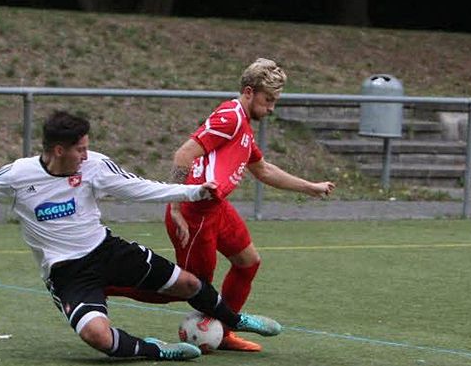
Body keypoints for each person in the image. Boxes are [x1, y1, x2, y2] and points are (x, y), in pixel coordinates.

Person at [0, 110, 282, 361]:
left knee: (188, 284)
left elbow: (137, 188)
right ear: (59, 150)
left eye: (87, 146)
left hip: (107, 250)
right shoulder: (18, 175)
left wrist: (191, 191)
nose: (86, 153)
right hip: (66, 272)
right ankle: (158, 350)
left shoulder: (95, 165)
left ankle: (233, 319)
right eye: (79, 148)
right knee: (97, 337)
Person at [107, 58, 335, 351]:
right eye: (268, 100)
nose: (272, 108)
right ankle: (104, 285)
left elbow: (264, 170)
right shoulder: (230, 116)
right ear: (249, 92)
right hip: (193, 212)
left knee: (248, 262)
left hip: (216, 208)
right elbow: (183, 154)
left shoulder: (244, 128)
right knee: (189, 287)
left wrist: (311, 188)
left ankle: (223, 332)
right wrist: (175, 207)